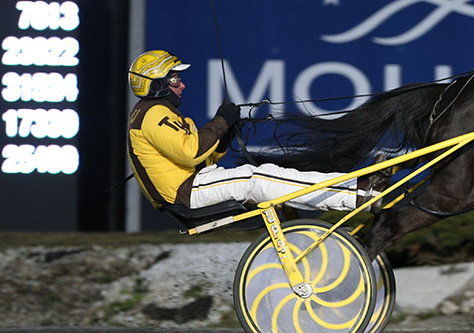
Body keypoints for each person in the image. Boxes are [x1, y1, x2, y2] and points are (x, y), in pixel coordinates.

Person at [126, 50, 373, 213]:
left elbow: (200, 159)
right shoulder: (152, 114)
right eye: (174, 80)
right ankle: (354, 193)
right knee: (256, 179)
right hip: (186, 192)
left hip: (191, 186)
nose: (182, 84)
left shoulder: (156, 113)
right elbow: (190, 153)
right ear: (156, 84)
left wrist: (224, 140)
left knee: (269, 176)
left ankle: (351, 190)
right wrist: (221, 121)